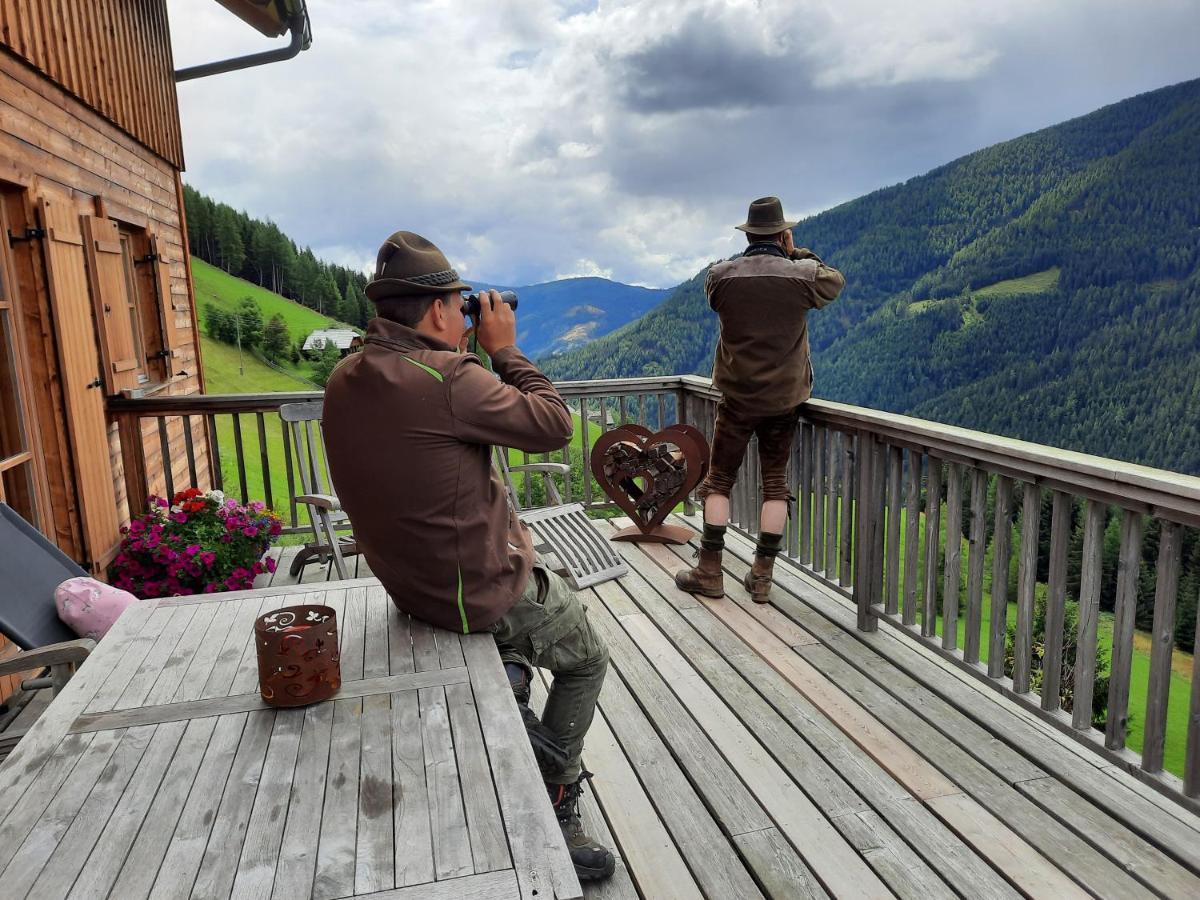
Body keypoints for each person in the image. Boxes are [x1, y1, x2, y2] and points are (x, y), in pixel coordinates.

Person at [322, 231, 616, 881]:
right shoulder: (450, 378)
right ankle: (557, 791)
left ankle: (509, 709)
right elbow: (553, 426)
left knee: (522, 643)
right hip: (479, 592)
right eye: (461, 305)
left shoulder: (345, 377)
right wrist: (503, 349)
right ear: (433, 312)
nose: (467, 317)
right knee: (589, 655)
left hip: (411, 587)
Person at [675, 197, 845, 602]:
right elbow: (833, 282)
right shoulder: (802, 275)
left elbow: (715, 300)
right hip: (784, 401)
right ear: (782, 234)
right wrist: (796, 252)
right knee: (775, 485)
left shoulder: (721, 276)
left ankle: (710, 571)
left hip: (736, 397)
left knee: (719, 482)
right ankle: (762, 577)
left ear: (748, 234)